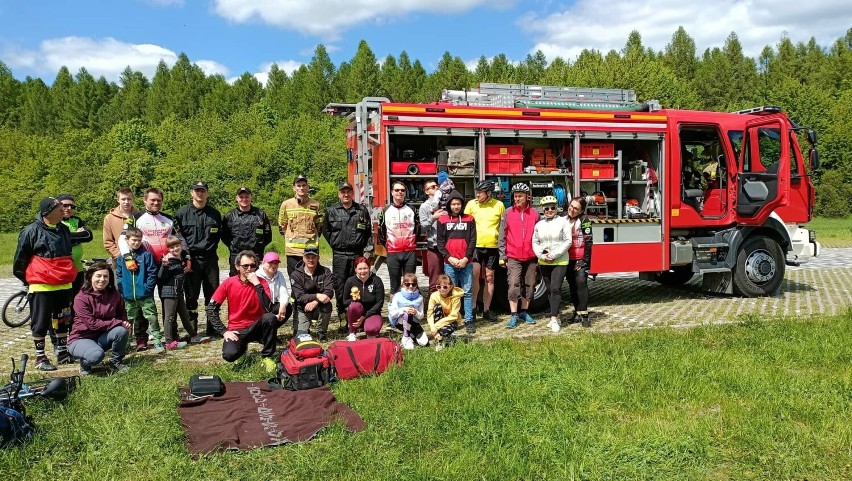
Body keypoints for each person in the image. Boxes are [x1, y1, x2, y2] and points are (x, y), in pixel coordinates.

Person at [13, 197, 78, 371]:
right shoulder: (30, 231)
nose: (64, 211)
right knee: (40, 322)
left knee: (63, 320)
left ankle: (63, 353)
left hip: (64, 285)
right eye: (60, 209)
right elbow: (20, 260)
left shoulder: (63, 229)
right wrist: (28, 280)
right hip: (41, 286)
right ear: (48, 213)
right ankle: (41, 358)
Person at [206, 250, 279, 373]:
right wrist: (224, 331)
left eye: (252, 266)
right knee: (229, 355)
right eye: (245, 266)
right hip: (237, 330)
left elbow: (268, 308)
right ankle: (242, 349)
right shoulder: (229, 282)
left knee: (270, 318)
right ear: (237, 267)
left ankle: (267, 357)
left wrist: (256, 284)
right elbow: (211, 309)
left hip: (256, 327)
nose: (249, 269)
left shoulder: (261, 282)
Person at [174, 181, 223, 338]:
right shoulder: (181, 214)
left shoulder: (215, 214)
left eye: (202, 191)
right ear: (191, 193)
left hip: (210, 260)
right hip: (191, 260)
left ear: (207, 193)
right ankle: (192, 328)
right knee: (191, 295)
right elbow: (178, 237)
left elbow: (221, 236)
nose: (199, 193)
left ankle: (213, 326)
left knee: (213, 294)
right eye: (196, 191)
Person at [322, 181, 372, 331]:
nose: (346, 194)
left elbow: (367, 232)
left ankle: (357, 317)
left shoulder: (361, 210)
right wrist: (336, 244)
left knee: (358, 285)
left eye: (348, 192)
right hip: (340, 255)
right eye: (343, 192)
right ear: (339, 194)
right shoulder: (332, 211)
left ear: (352, 193)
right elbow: (326, 231)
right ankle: (343, 318)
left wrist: (362, 247)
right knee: (340, 286)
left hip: (356, 254)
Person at [67, 261, 131, 375]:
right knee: (96, 355)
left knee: (121, 331)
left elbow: (122, 313)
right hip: (81, 338)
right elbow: (92, 324)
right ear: (90, 276)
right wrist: (117, 322)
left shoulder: (114, 294)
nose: (102, 279)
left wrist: (125, 322)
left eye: (106, 276)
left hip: (102, 337)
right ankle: (85, 364)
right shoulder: (81, 298)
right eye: (98, 276)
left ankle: (116, 362)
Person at [498, 183, 540, 329]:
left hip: (531, 256)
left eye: (520, 196)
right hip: (513, 256)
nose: (517, 199)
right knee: (513, 284)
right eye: (515, 196)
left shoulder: (535, 213)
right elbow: (502, 236)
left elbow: (539, 235)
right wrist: (502, 255)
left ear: (527, 197)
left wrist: (540, 254)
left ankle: (525, 312)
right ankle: (514, 315)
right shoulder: (508, 212)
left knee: (529, 285)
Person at [158, 235, 210, 349]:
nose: (175, 249)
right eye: (172, 247)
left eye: (177, 246)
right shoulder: (168, 259)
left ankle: (193, 335)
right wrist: (164, 266)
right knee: (169, 317)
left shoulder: (180, 258)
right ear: (168, 249)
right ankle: (169, 342)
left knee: (185, 315)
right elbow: (161, 277)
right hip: (169, 293)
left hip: (178, 292)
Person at [116, 226, 162, 352]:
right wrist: (122, 289)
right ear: (127, 240)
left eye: (139, 240)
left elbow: (153, 273)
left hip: (145, 294)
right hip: (128, 296)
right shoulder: (122, 257)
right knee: (128, 320)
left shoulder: (146, 255)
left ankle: (158, 340)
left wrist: (148, 288)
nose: (136, 243)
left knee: (152, 318)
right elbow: (119, 275)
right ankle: (126, 344)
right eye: (133, 240)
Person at [464, 180, 505, 322]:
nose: (477, 194)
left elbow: (503, 226)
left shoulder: (499, 205)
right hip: (476, 246)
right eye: (477, 191)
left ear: (488, 193)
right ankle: (474, 307)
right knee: (475, 275)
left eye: (480, 192)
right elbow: (465, 225)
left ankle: (487, 310)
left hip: (492, 247)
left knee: (490, 278)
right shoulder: (471, 204)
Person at [437, 190, 477, 334]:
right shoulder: (442, 220)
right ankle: (452, 319)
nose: (456, 206)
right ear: (449, 205)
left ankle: (468, 320)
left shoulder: (470, 219)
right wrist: (450, 258)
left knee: (467, 292)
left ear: (462, 204)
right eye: (453, 204)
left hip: (466, 262)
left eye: (458, 203)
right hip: (450, 263)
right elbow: (440, 243)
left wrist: (466, 258)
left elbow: (473, 241)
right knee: (451, 292)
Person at [532, 196, 572, 332]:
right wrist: (541, 255)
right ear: (543, 209)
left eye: (552, 208)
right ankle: (557, 315)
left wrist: (554, 255)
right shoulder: (539, 225)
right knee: (549, 290)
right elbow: (535, 242)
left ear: (557, 208)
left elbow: (568, 241)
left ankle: (553, 318)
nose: (550, 210)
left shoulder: (563, 222)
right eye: (547, 208)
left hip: (560, 260)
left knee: (555, 288)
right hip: (544, 261)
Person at [119, 187, 184, 264]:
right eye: (153, 200)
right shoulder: (134, 218)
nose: (156, 203)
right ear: (145, 200)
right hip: (146, 264)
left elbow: (180, 239)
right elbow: (123, 238)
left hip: (169, 263)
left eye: (159, 200)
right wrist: (127, 257)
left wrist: (186, 257)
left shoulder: (169, 219)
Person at [221, 186, 272, 276]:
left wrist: (258, 247)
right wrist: (234, 246)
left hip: (256, 255)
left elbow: (268, 236)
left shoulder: (260, 214)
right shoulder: (229, 216)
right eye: (241, 197)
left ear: (251, 197)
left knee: (257, 283)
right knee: (236, 283)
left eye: (247, 196)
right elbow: (224, 236)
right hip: (236, 255)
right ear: (236, 198)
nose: (244, 199)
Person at [278, 174, 323, 275]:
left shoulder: (316, 204)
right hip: (292, 251)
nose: (301, 188)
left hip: (311, 250)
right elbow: (282, 225)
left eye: (304, 185)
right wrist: (290, 236)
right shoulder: (286, 204)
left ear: (308, 187)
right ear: (294, 188)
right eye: (298, 185)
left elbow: (319, 226)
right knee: (295, 280)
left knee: (312, 280)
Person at [379, 180, 418, 294]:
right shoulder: (385, 210)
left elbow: (418, 229)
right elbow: (381, 231)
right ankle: (394, 309)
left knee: (409, 282)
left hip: (409, 252)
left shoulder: (412, 210)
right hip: (393, 252)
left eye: (402, 190)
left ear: (405, 193)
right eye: (396, 190)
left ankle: (410, 307)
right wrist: (386, 245)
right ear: (392, 192)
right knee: (394, 284)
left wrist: (413, 242)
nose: (399, 192)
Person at [290, 246, 334, 341]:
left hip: (320, 306)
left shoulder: (326, 271)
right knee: (301, 337)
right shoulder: (295, 275)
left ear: (318, 258)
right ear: (303, 258)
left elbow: (329, 292)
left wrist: (315, 302)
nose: (311, 260)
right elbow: (300, 297)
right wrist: (317, 296)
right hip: (303, 308)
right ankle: (303, 328)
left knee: (328, 305)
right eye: (308, 257)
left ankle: (321, 332)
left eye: (314, 257)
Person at [564, 197, 594, 328]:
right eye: (571, 206)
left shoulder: (585, 220)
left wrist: (584, 261)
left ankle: (585, 315)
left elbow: (588, 242)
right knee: (572, 286)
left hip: (580, 258)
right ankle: (576, 312)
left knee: (581, 283)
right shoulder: (563, 218)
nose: (572, 209)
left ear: (581, 211)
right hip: (566, 258)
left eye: (576, 208)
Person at [56, 194, 93, 296]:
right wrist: (78, 236)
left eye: (72, 206)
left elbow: (89, 235)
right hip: (62, 269)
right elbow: (59, 240)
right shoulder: (54, 221)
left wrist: (71, 238)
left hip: (78, 268)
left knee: (78, 298)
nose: (69, 208)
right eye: (65, 205)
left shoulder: (76, 220)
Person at [341, 256, 385, 342]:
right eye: (360, 269)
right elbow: (345, 301)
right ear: (355, 269)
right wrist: (354, 300)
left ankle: (368, 327)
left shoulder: (376, 280)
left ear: (369, 268)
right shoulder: (350, 281)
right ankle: (352, 332)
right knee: (354, 306)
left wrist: (364, 316)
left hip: (372, 313)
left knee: (371, 330)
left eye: (365, 268)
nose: (362, 271)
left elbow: (380, 303)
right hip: (356, 313)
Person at [418, 179, 446, 293]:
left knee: (450, 278)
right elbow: (423, 228)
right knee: (435, 279)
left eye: (436, 186)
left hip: (448, 246)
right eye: (432, 187)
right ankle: (434, 307)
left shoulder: (445, 204)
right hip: (433, 247)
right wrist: (433, 217)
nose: (436, 188)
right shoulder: (424, 207)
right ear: (426, 191)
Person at [388, 273, 426, 350]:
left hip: (414, 322)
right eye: (407, 284)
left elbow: (421, 315)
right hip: (399, 321)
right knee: (407, 313)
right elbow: (392, 314)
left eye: (413, 284)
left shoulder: (420, 297)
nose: (411, 286)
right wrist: (403, 309)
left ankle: (411, 335)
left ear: (416, 284)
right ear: (403, 284)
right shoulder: (397, 296)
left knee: (424, 342)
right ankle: (406, 336)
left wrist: (416, 312)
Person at [427, 274, 464, 351]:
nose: (442, 289)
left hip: (452, 320)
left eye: (445, 287)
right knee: (437, 307)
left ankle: (446, 338)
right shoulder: (434, 296)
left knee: (444, 331)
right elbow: (430, 314)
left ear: (450, 287)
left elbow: (454, 316)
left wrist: (436, 326)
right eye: (439, 287)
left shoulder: (456, 296)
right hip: (439, 318)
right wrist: (432, 327)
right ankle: (440, 340)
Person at [256, 251, 293, 327]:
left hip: (272, 305)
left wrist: (283, 306)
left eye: (276, 263)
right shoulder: (256, 275)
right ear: (263, 263)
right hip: (259, 307)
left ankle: (272, 328)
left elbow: (284, 293)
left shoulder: (279, 275)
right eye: (270, 263)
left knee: (288, 307)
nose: (273, 265)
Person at [103, 187, 138, 261]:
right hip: (119, 259)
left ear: (133, 200)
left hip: (139, 257)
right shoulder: (109, 218)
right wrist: (120, 256)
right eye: (123, 199)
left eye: (129, 199)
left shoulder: (139, 216)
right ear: (118, 200)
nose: (126, 202)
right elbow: (108, 242)